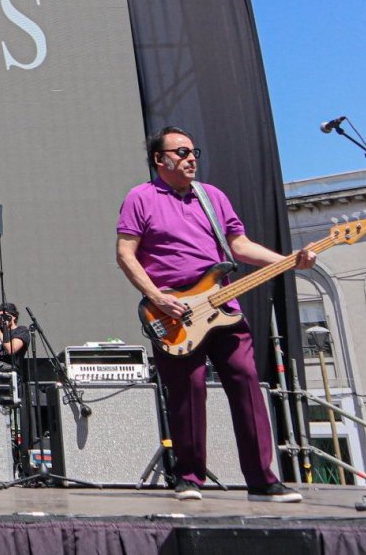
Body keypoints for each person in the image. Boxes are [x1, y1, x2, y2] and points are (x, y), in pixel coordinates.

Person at [116, 126, 316, 503]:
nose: (191, 158)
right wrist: (156, 297)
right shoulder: (140, 198)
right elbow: (126, 254)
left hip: (225, 309)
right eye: (181, 151)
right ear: (160, 160)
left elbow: (239, 245)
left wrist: (289, 262)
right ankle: (189, 477)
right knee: (187, 391)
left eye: (194, 151)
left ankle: (262, 479)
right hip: (175, 314)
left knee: (246, 382)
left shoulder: (213, 197)